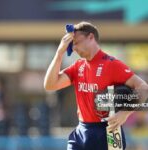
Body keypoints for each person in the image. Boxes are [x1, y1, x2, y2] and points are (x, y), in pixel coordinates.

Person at [44, 21, 148, 150]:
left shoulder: (112, 64)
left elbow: (144, 89)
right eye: (72, 45)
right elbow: (50, 85)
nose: (74, 48)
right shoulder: (78, 66)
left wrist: (124, 113)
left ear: (91, 37)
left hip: (108, 131)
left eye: (76, 43)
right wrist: (59, 53)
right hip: (82, 131)